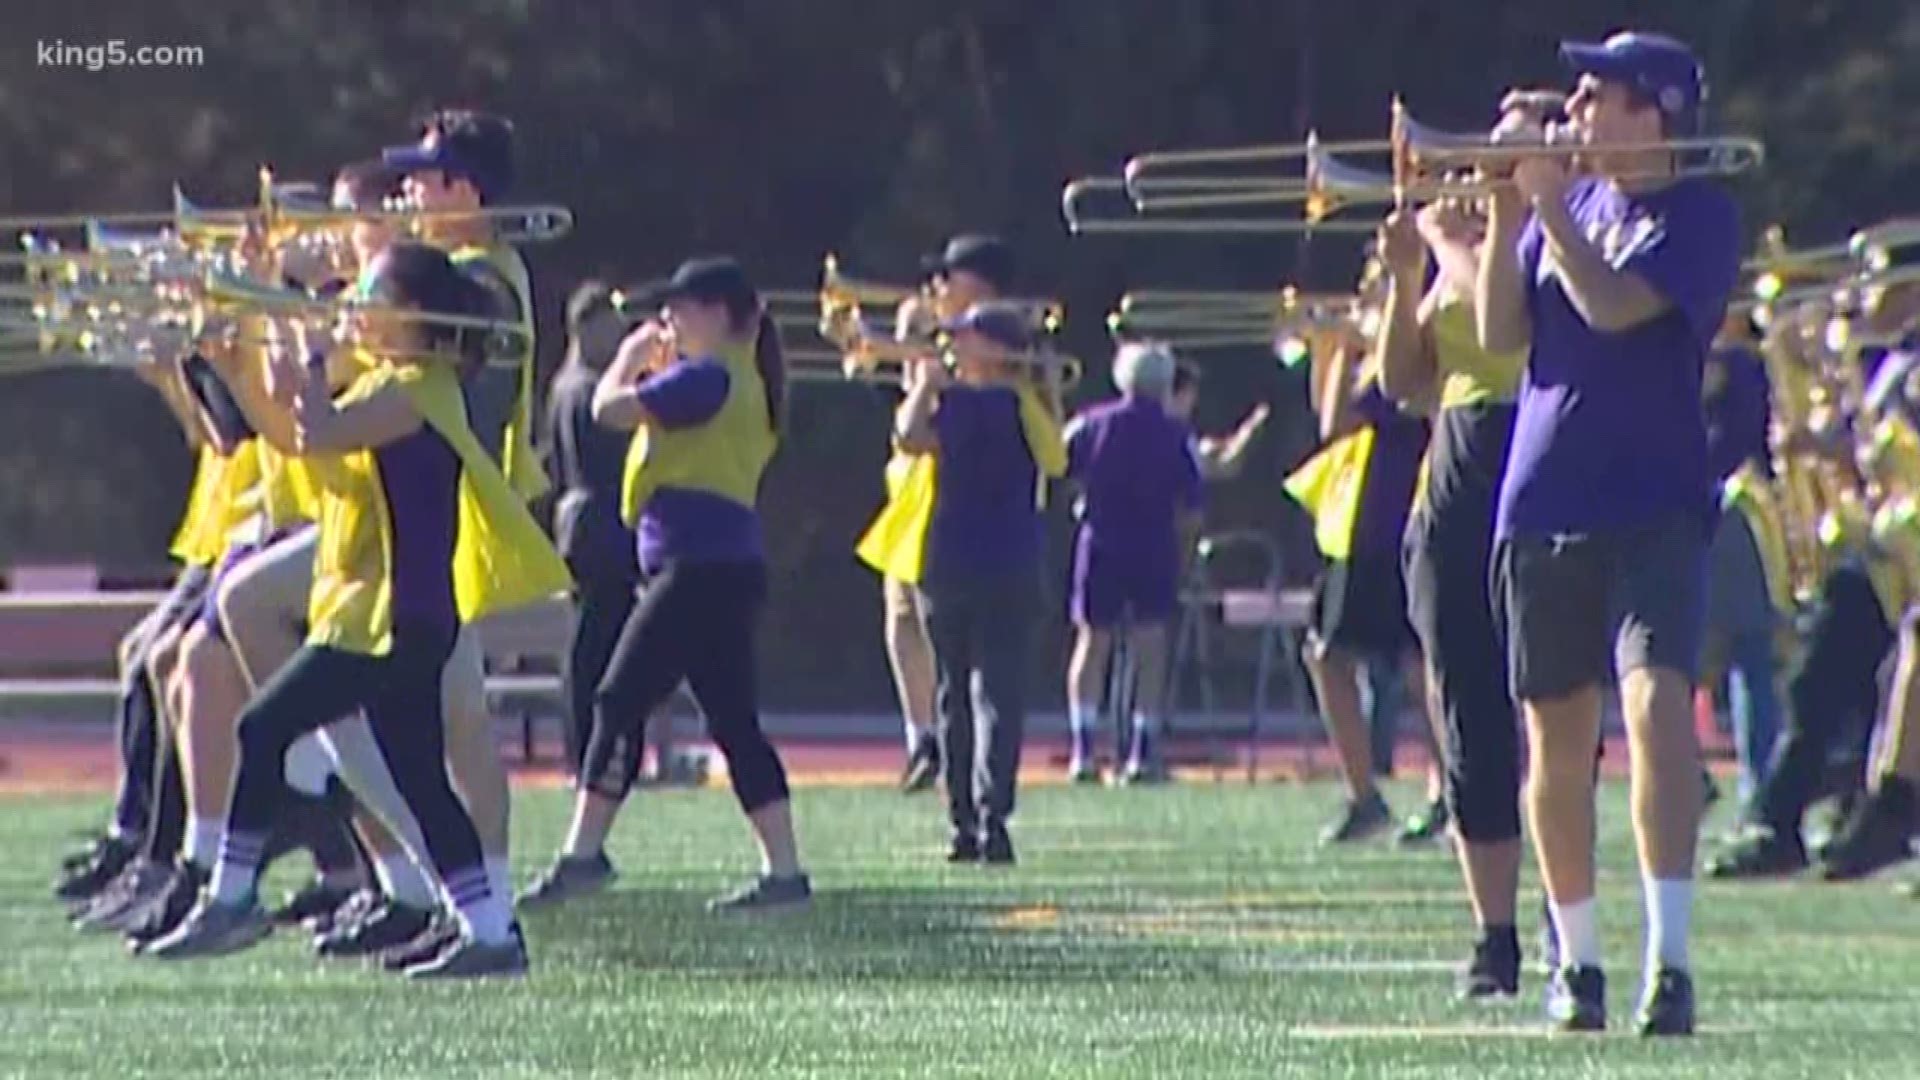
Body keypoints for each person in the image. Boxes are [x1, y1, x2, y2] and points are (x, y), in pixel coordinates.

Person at [147, 242, 571, 979]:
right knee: (417, 776)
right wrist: (252, 353)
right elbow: (308, 450)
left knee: (263, 724)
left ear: (409, 312)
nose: (355, 306)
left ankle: (232, 895)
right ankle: (491, 932)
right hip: (397, 616)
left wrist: (312, 355)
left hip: (394, 620)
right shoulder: (402, 382)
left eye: (370, 294)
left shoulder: (416, 389)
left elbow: (319, 431)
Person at [1477, 32, 1741, 1034]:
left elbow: (1617, 305)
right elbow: (1505, 337)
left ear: (1656, 113)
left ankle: (1668, 962)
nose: (1576, 110)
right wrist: (1513, 210)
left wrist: (1546, 199)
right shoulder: (1567, 204)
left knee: (1657, 712)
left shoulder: (1701, 216)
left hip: (1656, 501)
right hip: (1542, 500)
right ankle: (1577, 960)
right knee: (1553, 738)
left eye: (1599, 96)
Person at [527, 256, 810, 911]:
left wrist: (628, 360)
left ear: (722, 315)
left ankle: (582, 856)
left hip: (697, 569)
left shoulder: (708, 377)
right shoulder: (735, 377)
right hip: (721, 567)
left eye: (683, 308)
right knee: (734, 722)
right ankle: (786, 875)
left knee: (617, 698)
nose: (669, 320)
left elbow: (608, 408)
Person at [1375, 194, 1529, 997]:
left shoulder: (1559, 234)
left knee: (1544, 707)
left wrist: (1445, 243)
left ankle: (1581, 925)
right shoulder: (1460, 256)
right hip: (1453, 482)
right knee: (1465, 711)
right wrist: (1406, 280)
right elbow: (1403, 380)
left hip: (1532, 464)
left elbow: (1511, 327)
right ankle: (1493, 932)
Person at [894, 300, 1066, 864]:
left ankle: (965, 823)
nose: (953, 345)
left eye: (967, 338)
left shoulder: (964, 403)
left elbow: (907, 435)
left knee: (956, 695)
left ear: (995, 348)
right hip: (1008, 563)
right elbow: (1056, 457)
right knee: (998, 696)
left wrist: (923, 384)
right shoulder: (1020, 404)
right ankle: (993, 819)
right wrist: (1044, 387)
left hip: (953, 563)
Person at [863, 235, 1020, 792]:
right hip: (911, 485)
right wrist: (897, 345)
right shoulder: (930, 329)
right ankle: (921, 736)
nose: (937, 289)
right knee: (900, 614)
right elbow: (910, 406)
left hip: (959, 495)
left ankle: (963, 749)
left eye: (949, 278)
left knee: (952, 631)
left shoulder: (1005, 334)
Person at [1285, 322, 1441, 846]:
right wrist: (1329, 350)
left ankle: (1446, 794)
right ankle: (1366, 794)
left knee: (1421, 663)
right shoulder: (1381, 346)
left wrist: (1352, 344)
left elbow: (1339, 418)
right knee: (1332, 655)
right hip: (1358, 522)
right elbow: (1327, 413)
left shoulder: (1409, 342)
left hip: (1392, 519)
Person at [1062, 341, 1202, 784]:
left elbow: (1060, 466)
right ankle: (1142, 750)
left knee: (1092, 641)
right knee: (1150, 646)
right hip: (1153, 544)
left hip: (1100, 540)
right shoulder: (1176, 433)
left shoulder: (1090, 424)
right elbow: (1194, 503)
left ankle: (1083, 750)